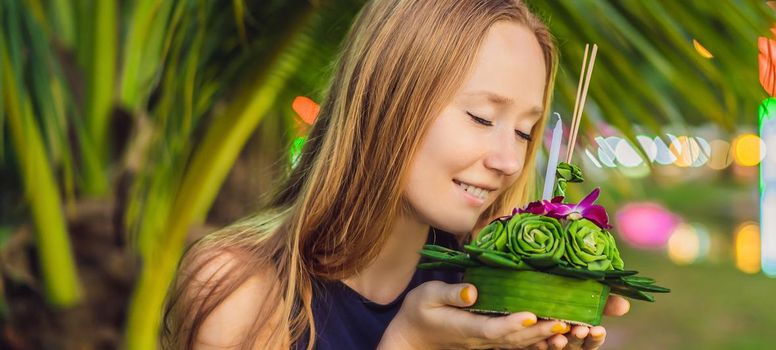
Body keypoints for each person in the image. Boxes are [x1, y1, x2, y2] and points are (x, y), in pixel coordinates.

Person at [162, 0, 630, 349]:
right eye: (483, 118)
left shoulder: (488, 297)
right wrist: (407, 342)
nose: (509, 161)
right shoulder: (241, 292)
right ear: (387, 104)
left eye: (526, 132)